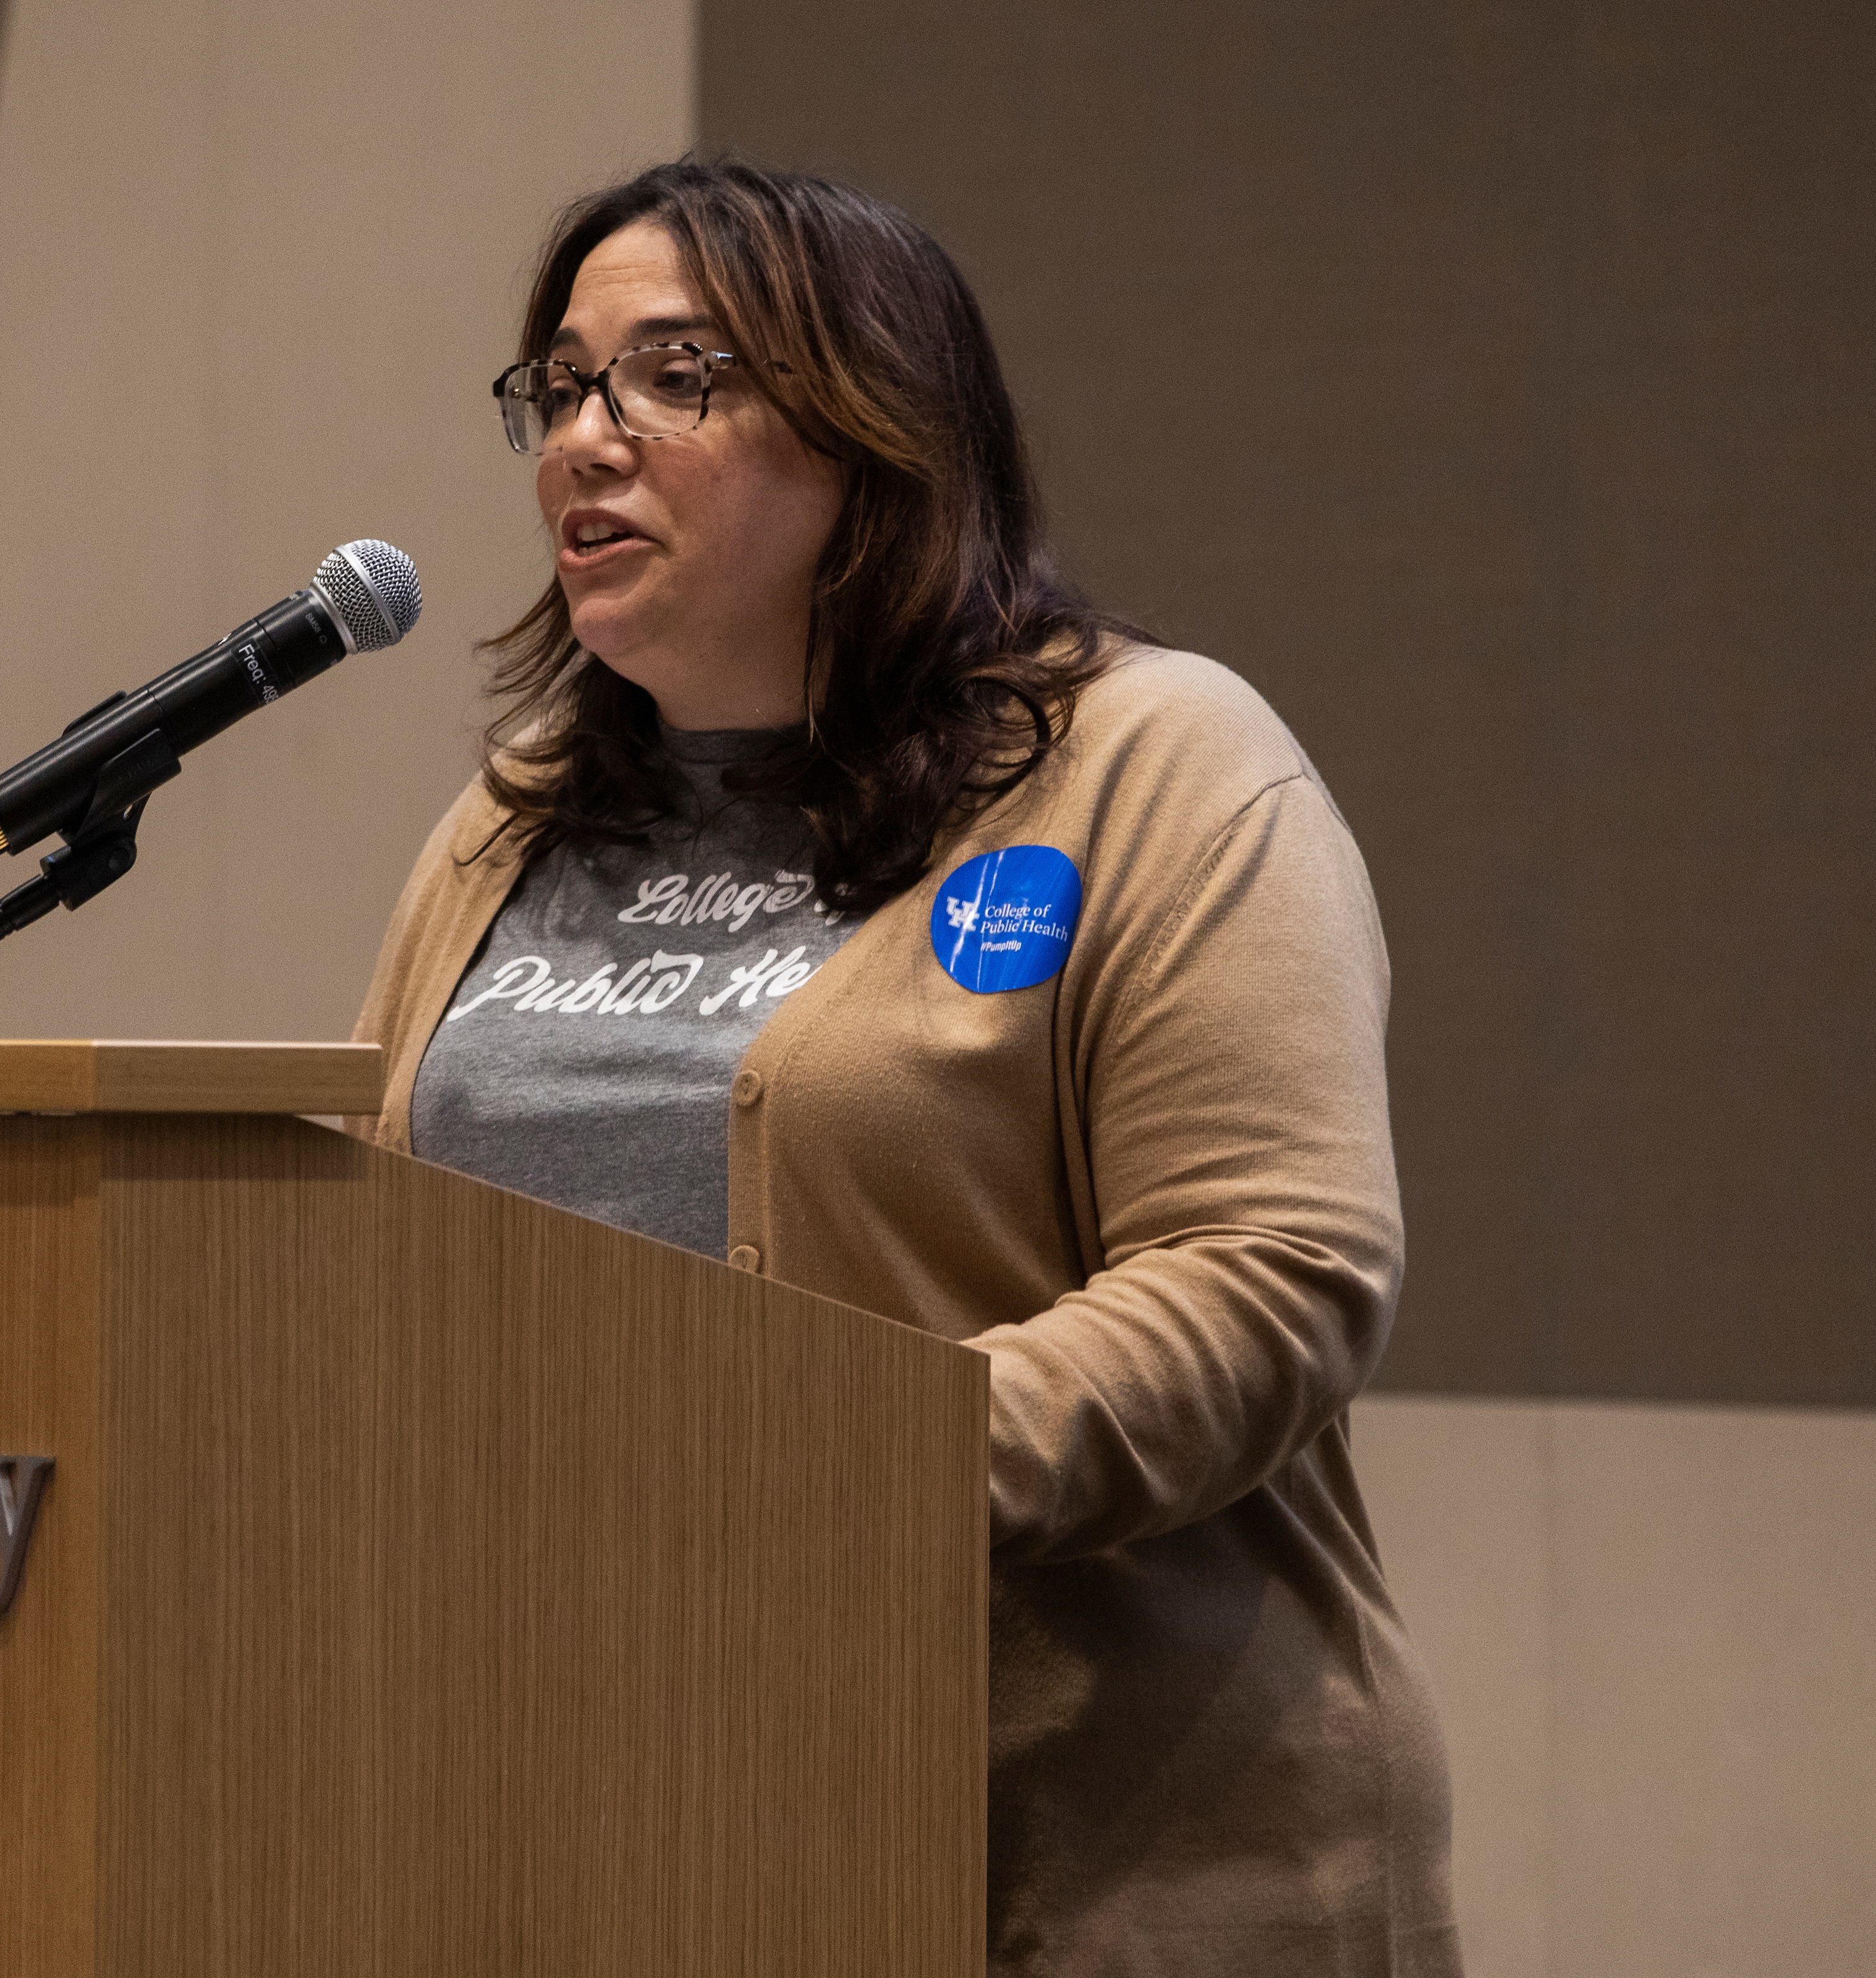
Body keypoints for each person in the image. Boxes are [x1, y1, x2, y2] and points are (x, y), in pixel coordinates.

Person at [349, 159, 1462, 1976]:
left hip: (1089, 1868)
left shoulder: (1152, 766)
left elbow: (1272, 1278)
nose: (585, 438)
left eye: (676, 376)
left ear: (875, 435)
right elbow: (374, 1275)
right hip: (604, 1849)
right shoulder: (515, 821)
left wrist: (823, 1467)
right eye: (558, 387)